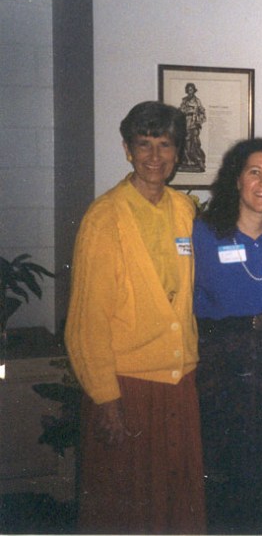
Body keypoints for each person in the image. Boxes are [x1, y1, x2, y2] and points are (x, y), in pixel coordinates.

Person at [65, 101, 205, 533]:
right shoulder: (104, 217)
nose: (154, 156)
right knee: (126, 511)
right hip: (127, 387)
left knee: (176, 509)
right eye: (144, 144)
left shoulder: (185, 209)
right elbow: (86, 321)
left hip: (180, 383)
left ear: (177, 152)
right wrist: (105, 398)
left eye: (165, 145)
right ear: (127, 150)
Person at [193, 137, 262, 534]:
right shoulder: (204, 233)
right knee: (228, 461)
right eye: (254, 172)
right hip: (224, 352)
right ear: (237, 179)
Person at [179, 82, 207, 171]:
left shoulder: (197, 101)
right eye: (188, 90)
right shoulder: (184, 100)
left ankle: (198, 160)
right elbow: (180, 111)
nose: (189, 91)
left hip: (194, 124)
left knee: (195, 142)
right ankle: (187, 161)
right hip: (186, 124)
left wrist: (199, 121)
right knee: (186, 143)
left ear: (194, 91)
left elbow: (202, 112)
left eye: (191, 90)